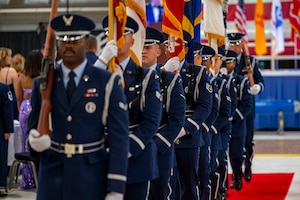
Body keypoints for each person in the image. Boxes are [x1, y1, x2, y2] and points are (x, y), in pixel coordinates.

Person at [27, 14, 129, 200]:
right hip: (52, 174)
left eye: (75, 39)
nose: (68, 45)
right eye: (63, 40)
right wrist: (34, 142)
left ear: (86, 41)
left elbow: (119, 138)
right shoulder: (43, 82)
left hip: (90, 175)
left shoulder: (106, 82)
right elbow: (33, 129)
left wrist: (116, 186)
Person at [95, 16, 162, 200]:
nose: (115, 39)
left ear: (132, 41)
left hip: (135, 159)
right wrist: (101, 62)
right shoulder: (98, 73)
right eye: (111, 34)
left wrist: (125, 150)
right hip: (101, 157)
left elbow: (151, 122)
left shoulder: (145, 77)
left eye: (121, 34)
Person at [141, 27, 186, 200]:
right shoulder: (125, 77)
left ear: (158, 51)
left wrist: (154, 146)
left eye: (149, 46)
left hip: (160, 151)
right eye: (141, 46)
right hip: (133, 152)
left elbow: (177, 119)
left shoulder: (171, 79)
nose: (143, 50)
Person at [173, 31, 213, 200]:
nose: (171, 48)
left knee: (189, 185)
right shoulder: (158, 72)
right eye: (168, 44)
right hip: (162, 136)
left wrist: (185, 129)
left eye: (176, 43)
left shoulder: (197, 73)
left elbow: (205, 106)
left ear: (186, 48)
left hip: (187, 138)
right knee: (166, 185)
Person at [227, 32, 265, 183]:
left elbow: (261, 81)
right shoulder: (225, 61)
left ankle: (248, 165)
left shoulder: (250, 62)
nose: (235, 47)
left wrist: (258, 87)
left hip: (247, 110)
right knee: (233, 146)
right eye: (232, 44)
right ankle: (236, 174)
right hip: (230, 110)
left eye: (237, 44)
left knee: (248, 142)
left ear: (241, 45)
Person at [225, 50, 252, 191]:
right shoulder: (219, 80)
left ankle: (237, 176)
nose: (226, 64)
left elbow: (247, 104)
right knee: (220, 155)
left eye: (229, 61)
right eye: (224, 61)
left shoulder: (241, 81)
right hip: (222, 125)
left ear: (234, 63)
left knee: (236, 154)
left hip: (237, 124)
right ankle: (222, 185)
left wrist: (233, 116)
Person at [15, 49, 42, 189]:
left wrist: (22, 111)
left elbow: (18, 99)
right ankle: (39, 177)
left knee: (25, 143)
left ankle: (28, 180)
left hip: (25, 109)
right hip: (40, 110)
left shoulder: (22, 77)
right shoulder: (43, 77)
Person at [197, 44, 219, 200]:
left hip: (204, 132)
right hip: (188, 134)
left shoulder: (212, 80)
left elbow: (214, 109)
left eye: (206, 60)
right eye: (202, 59)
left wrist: (203, 127)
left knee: (205, 172)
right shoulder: (193, 76)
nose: (204, 62)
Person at [216, 46, 238, 199]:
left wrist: (217, 124)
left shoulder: (227, 81)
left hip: (222, 125)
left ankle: (222, 187)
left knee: (221, 156)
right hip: (208, 125)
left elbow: (232, 105)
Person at [0, 82, 13, 197]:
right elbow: (7, 109)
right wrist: (8, 129)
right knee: (1, 155)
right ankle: (1, 185)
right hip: (1, 127)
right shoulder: (3, 88)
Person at [0, 47, 19, 120]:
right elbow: (17, 93)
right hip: (9, 102)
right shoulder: (11, 71)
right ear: (4, 57)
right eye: (9, 56)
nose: (11, 58)